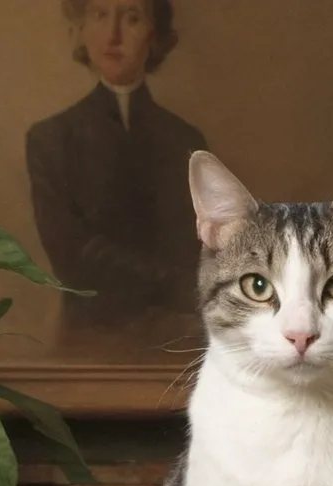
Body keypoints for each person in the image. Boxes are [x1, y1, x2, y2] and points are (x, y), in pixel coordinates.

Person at [26, 0, 206, 333]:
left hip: (174, 338)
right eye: (100, 15)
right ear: (81, 29)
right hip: (87, 339)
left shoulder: (185, 141)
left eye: (132, 18)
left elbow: (194, 251)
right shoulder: (51, 139)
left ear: (154, 35)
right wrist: (171, 285)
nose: (114, 35)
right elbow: (71, 256)